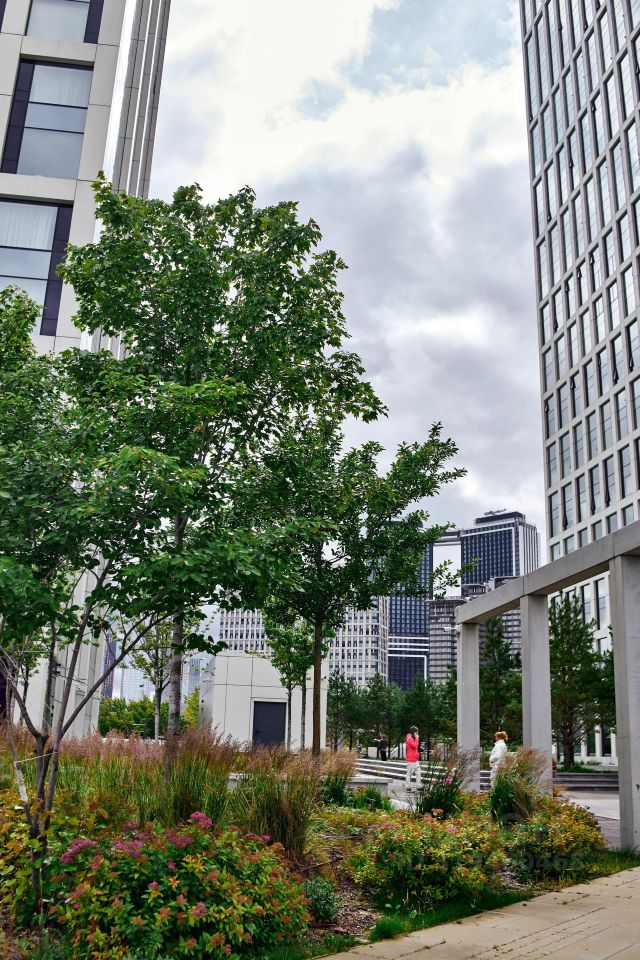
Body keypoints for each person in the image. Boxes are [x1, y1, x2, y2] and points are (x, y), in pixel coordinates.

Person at [405, 725, 421, 791]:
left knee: (418, 772)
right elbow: (415, 746)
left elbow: (416, 746)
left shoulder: (414, 738)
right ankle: (407, 787)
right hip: (410, 759)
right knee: (409, 773)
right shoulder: (409, 738)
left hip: (415, 759)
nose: (417, 734)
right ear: (413, 732)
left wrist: (416, 738)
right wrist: (417, 738)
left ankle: (418, 786)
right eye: (416, 732)